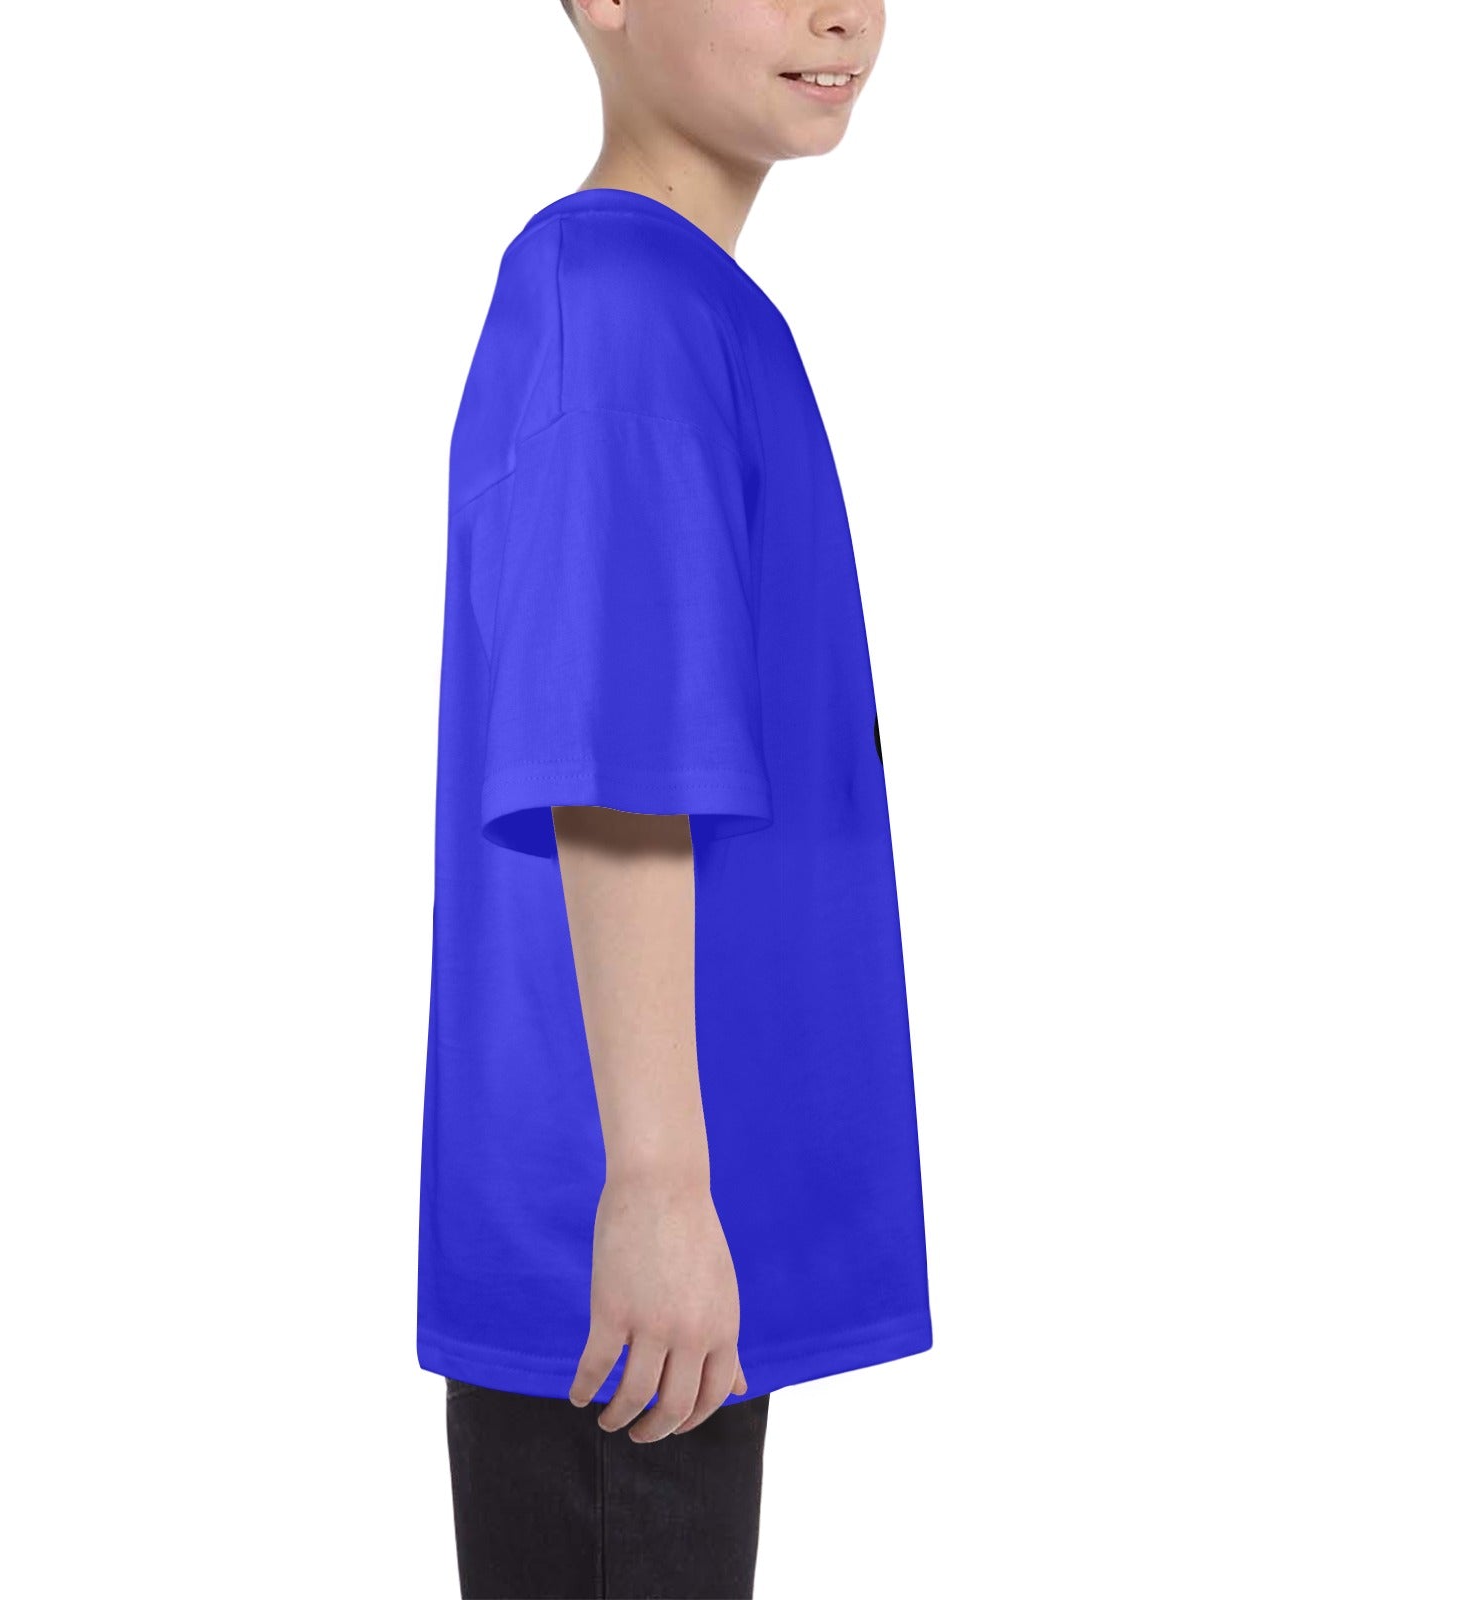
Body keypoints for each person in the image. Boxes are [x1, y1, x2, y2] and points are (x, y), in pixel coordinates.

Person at [417, 3, 929, 1595]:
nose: (842, 12)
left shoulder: (683, 301)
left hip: (681, 1232)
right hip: (628, 1260)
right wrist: (649, 1186)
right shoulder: (618, 297)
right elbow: (616, 753)